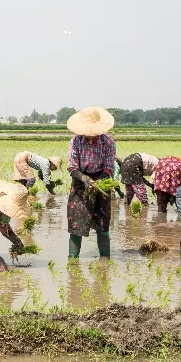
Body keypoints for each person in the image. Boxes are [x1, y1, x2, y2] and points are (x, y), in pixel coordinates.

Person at [65, 107, 116, 259]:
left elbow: (108, 167)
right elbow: (72, 167)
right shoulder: (76, 141)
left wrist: (98, 181)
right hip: (80, 181)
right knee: (76, 223)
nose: (90, 134)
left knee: (102, 223)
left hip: (102, 182)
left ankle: (105, 259)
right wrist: (86, 179)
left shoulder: (108, 143)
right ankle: (73, 261)